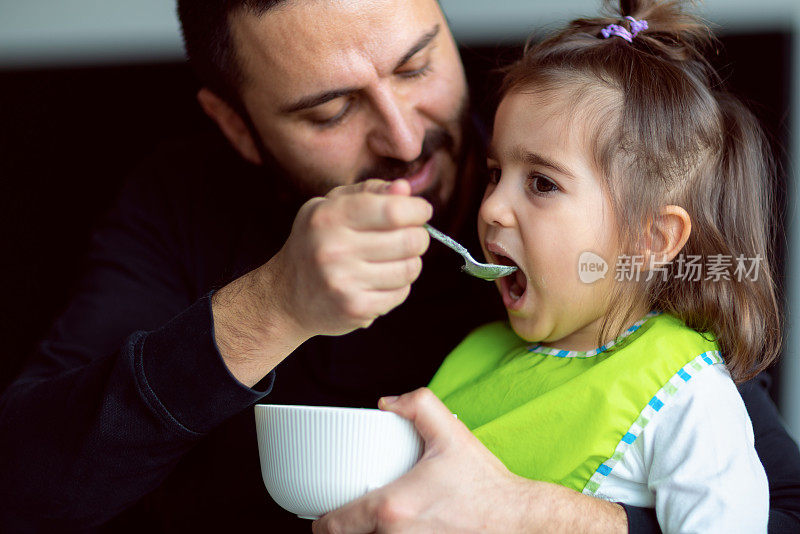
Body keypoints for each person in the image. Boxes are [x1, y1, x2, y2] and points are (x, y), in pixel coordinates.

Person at [0, 0, 797, 532]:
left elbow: (776, 502)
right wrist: (271, 308)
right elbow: (22, 486)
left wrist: (535, 516)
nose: (404, 138)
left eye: (416, 67)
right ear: (237, 127)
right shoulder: (178, 204)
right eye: (330, 110)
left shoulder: (585, 193)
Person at [385, 0, 777, 530]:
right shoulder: (474, 355)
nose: (492, 207)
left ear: (651, 238)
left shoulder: (688, 397)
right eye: (495, 173)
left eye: (542, 183)